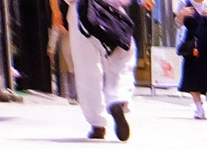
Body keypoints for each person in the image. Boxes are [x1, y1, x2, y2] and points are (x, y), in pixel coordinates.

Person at [56, 0, 143, 139]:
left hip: (81, 13)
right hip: (112, 11)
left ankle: (98, 124)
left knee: (87, 70)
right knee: (122, 61)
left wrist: (56, 12)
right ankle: (117, 99)